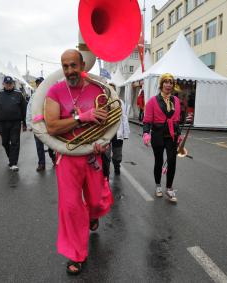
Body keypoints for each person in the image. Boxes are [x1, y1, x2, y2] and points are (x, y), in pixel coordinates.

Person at [44, 49, 113, 275]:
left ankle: (94, 215)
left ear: (83, 65)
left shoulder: (97, 90)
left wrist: (104, 142)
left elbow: (107, 125)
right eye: (65, 66)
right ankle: (76, 254)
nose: (70, 71)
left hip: (93, 156)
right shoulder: (55, 91)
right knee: (72, 207)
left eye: (73, 65)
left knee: (94, 202)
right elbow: (52, 126)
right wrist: (79, 117)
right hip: (67, 158)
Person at [142, 73, 184, 203]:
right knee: (159, 161)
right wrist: (146, 133)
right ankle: (158, 186)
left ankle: (169, 188)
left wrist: (179, 134)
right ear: (161, 85)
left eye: (170, 82)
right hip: (158, 135)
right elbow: (147, 120)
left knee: (172, 161)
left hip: (172, 136)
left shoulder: (176, 101)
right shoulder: (152, 101)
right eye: (166, 82)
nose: (168, 85)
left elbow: (177, 120)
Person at [0, 76, 27, 172]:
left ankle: (13, 163)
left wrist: (25, 123)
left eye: (10, 83)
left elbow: (24, 109)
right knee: (5, 142)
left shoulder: (19, 94)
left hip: (15, 122)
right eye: (7, 84)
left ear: (13, 84)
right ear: (3, 84)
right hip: (2, 123)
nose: (9, 85)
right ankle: (11, 157)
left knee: (15, 142)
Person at [26, 77, 56, 171]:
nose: (39, 85)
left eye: (41, 83)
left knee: (51, 144)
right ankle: (41, 163)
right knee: (39, 145)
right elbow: (29, 110)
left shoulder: (51, 93)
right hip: (37, 124)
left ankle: (54, 158)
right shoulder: (33, 96)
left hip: (49, 123)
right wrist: (28, 123)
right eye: (38, 83)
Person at [101, 84, 130, 178]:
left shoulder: (120, 102)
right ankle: (106, 174)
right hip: (106, 133)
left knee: (117, 154)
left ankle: (117, 165)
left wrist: (126, 132)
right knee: (106, 155)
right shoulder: (102, 101)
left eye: (112, 90)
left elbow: (124, 117)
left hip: (118, 133)